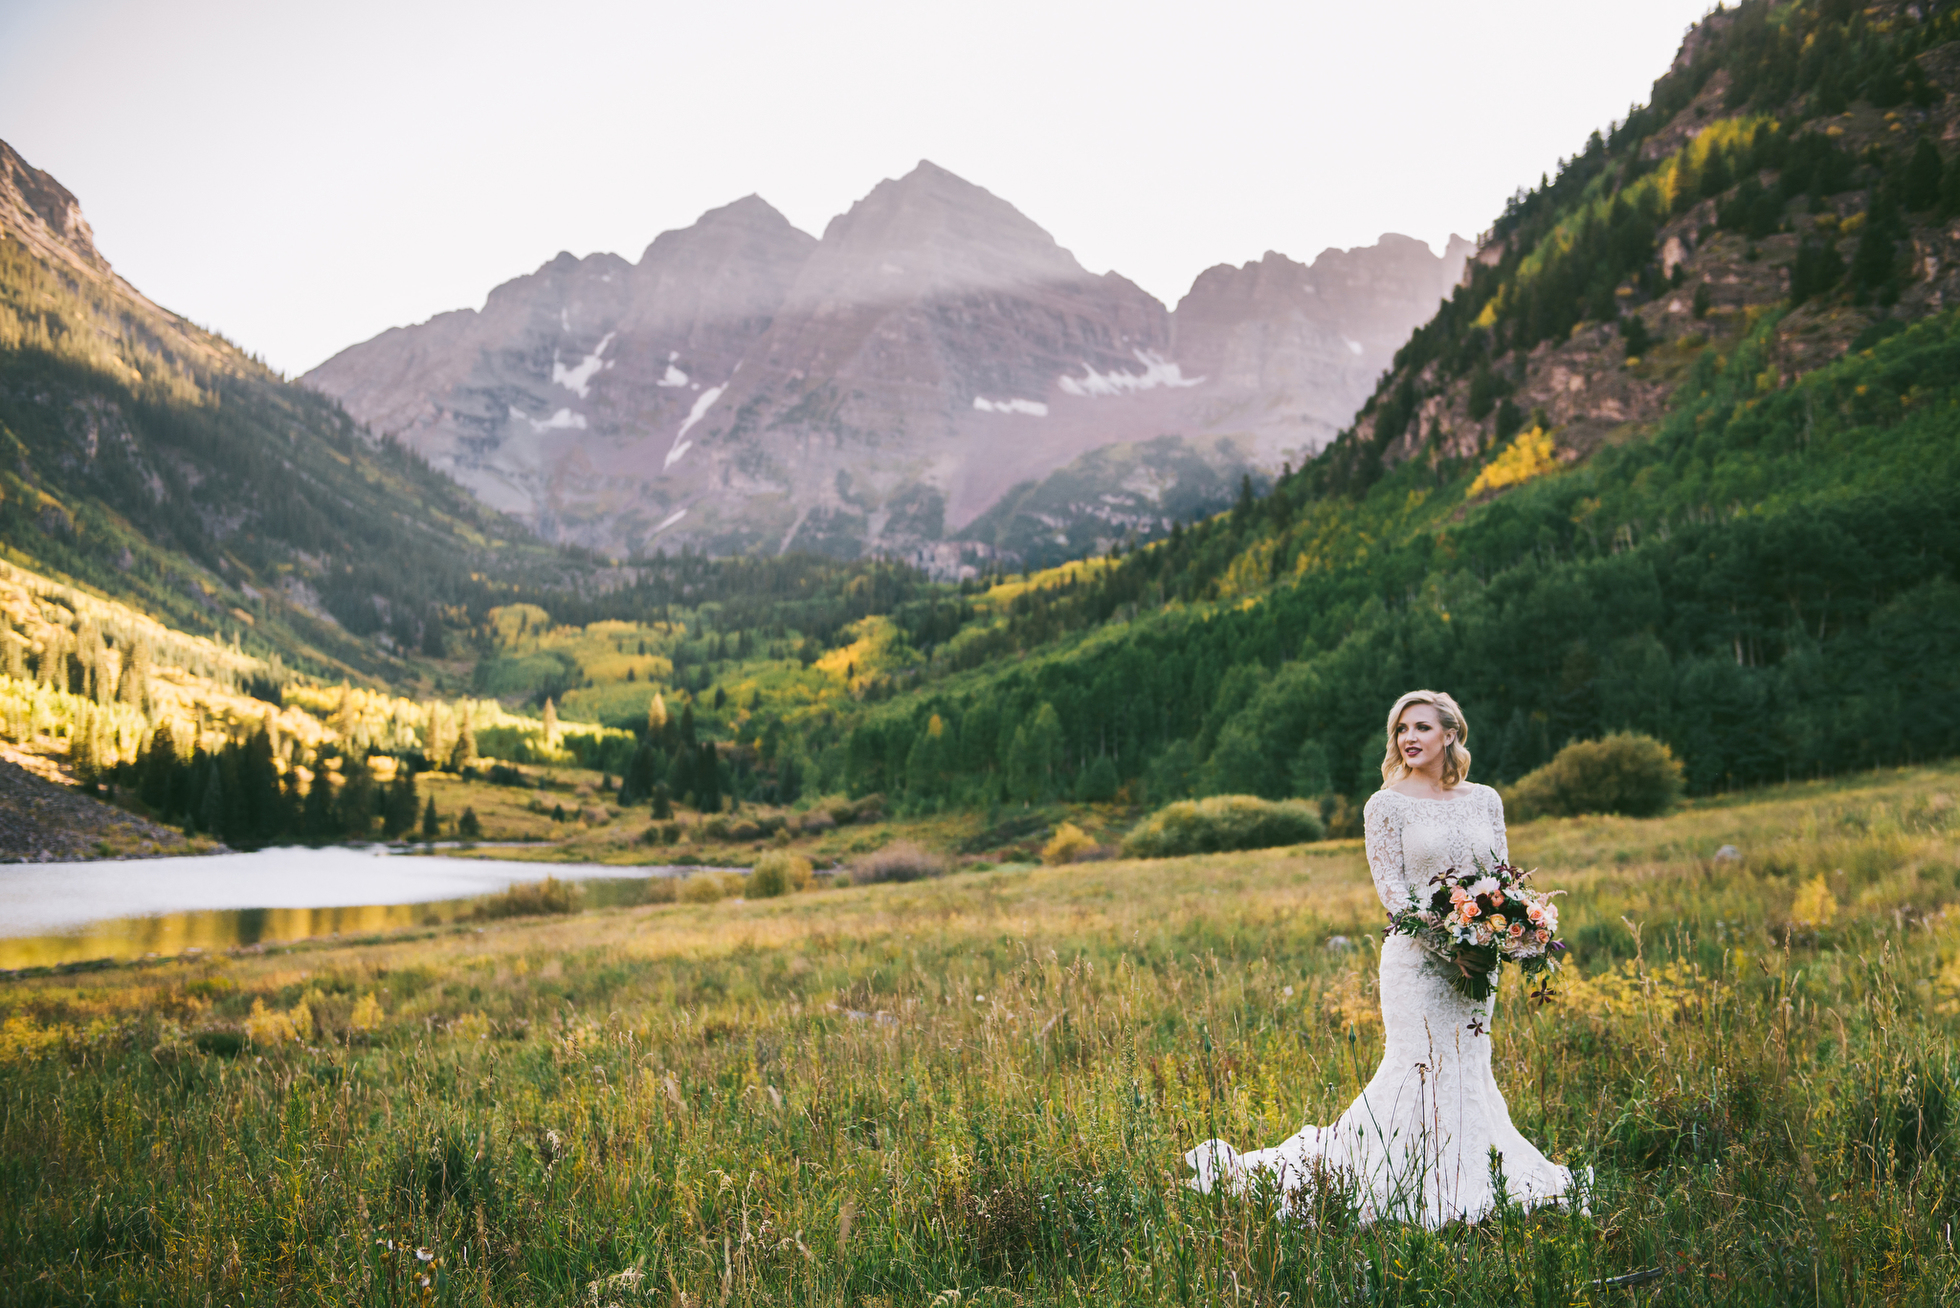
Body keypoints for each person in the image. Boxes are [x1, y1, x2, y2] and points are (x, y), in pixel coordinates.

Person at [1185, 689, 1583, 1227]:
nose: (1409, 738)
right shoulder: (1386, 805)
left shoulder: (1486, 799)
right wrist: (1450, 943)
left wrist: (1507, 932)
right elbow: (1392, 892)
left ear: (1450, 734)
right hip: (1418, 962)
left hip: (1478, 964)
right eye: (1401, 729)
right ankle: (1397, 1179)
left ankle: (1474, 1176)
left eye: (1421, 727)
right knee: (1415, 1066)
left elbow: (1500, 879)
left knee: (1467, 1065)